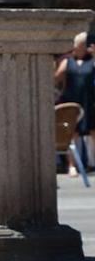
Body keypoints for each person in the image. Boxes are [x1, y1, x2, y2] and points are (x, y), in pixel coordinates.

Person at [56, 32, 95, 172]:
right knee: (72, 133)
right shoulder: (67, 61)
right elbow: (56, 79)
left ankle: (92, 164)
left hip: (89, 101)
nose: (79, 49)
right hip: (72, 101)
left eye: (83, 46)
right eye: (78, 46)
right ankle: (72, 165)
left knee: (92, 132)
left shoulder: (92, 60)